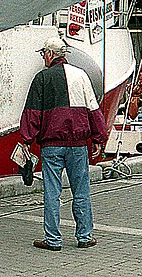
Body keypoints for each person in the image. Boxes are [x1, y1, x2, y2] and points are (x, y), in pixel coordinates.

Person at [19, 36, 106, 251]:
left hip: (51, 145)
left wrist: (26, 141)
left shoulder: (42, 78)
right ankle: (85, 236)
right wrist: (98, 138)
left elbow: (32, 114)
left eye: (43, 54)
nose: (43, 58)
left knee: (52, 192)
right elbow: (93, 110)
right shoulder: (82, 75)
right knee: (81, 191)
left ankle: (53, 240)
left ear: (49, 54)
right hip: (78, 145)